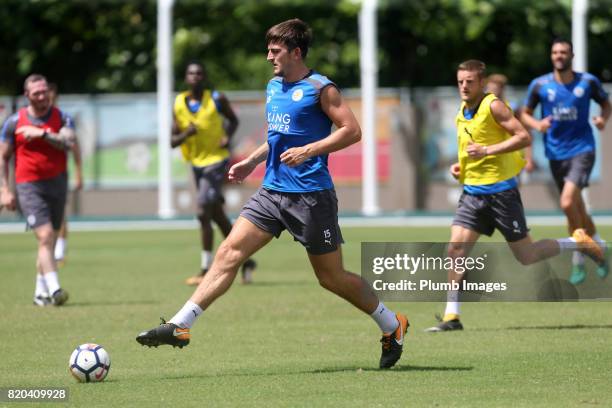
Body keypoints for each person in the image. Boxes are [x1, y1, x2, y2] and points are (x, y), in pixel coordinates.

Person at [136, 18, 409, 369]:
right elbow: (279, 136)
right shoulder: (273, 86)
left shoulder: (321, 88)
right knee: (228, 253)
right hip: (272, 192)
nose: (268, 57)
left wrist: (310, 151)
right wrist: (251, 160)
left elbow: (352, 131)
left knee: (331, 277)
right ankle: (180, 325)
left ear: (296, 52)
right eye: (268, 50)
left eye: (275, 50)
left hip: (311, 196)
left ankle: (392, 324)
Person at [425, 60, 604, 332]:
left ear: (481, 83)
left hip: (501, 195)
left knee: (527, 255)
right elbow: (470, 148)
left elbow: (523, 137)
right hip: (472, 194)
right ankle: (452, 316)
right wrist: (461, 168)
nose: (463, 86)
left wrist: (487, 151)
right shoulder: (463, 110)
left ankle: (577, 241)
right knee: (456, 249)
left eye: (469, 81)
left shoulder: (493, 105)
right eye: (460, 81)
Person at [521, 38, 611, 285]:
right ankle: (601, 248)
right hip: (555, 154)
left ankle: (579, 259)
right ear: (551, 56)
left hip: (582, 149)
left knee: (567, 201)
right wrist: (537, 124)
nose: (559, 55)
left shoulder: (588, 81)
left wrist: (603, 119)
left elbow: (606, 104)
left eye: (563, 52)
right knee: (577, 207)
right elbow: (525, 114)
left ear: (572, 55)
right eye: (555, 52)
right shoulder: (539, 85)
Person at [172, 61, 256, 285]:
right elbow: (172, 140)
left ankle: (205, 268)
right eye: (191, 73)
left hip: (217, 161)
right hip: (195, 164)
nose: (195, 77)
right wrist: (186, 134)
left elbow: (233, 120)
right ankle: (246, 260)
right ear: (186, 78)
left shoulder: (217, 99)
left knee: (202, 210)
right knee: (216, 214)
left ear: (204, 77)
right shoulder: (179, 103)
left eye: (199, 73)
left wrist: (227, 136)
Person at [0, 74, 75, 306]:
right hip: (29, 186)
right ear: (27, 95)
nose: (42, 96)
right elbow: (2, 157)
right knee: (44, 237)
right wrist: (4, 190)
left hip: (58, 182)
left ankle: (39, 292)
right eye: (37, 93)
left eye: (45, 91)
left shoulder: (62, 117)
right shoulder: (14, 121)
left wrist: (41, 133)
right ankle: (55, 290)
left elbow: (69, 141)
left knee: (49, 240)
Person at [47, 83, 83, 265]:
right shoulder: (34, 119)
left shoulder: (64, 119)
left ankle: (59, 251)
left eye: (51, 97)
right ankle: (49, 250)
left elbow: (75, 148)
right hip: (36, 176)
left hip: (59, 173)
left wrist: (79, 173)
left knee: (60, 214)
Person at [485, 74, 535, 172]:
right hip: (489, 157)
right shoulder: (481, 109)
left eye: (495, 89)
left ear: (502, 89)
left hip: (512, 158)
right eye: (489, 89)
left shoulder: (512, 108)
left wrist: (529, 158)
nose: (491, 93)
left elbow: (527, 133)